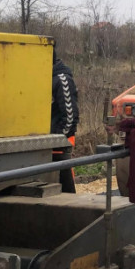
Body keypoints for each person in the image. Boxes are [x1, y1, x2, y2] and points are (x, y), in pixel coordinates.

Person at [51, 49, 80, 193]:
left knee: (65, 187)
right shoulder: (40, 77)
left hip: (59, 144)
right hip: (44, 141)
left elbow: (70, 116)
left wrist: (57, 138)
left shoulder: (62, 80)